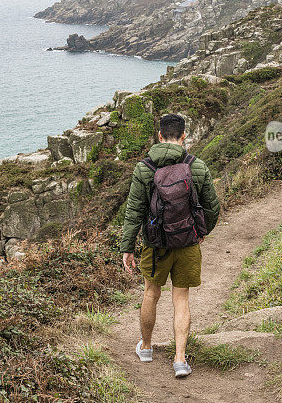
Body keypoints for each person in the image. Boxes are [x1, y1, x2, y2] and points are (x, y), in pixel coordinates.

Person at [120, 113, 221, 378]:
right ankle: (179, 359)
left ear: (160, 136)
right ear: (184, 136)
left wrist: (127, 247)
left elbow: (134, 210)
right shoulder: (196, 166)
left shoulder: (144, 169)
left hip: (155, 245)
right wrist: (201, 232)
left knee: (151, 294)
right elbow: (212, 207)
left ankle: (147, 348)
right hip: (187, 242)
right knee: (181, 298)